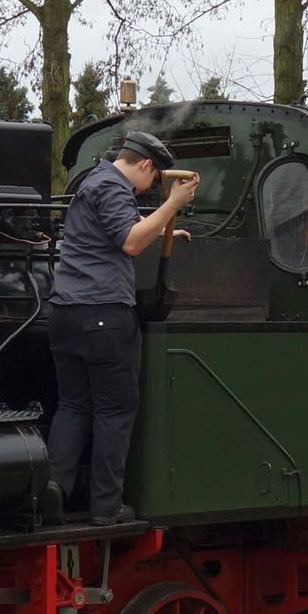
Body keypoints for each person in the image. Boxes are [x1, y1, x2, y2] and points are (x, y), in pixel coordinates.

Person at [47, 130, 199, 525]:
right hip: (102, 315)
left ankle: (54, 490)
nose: (150, 187)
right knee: (115, 410)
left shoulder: (91, 182)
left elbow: (112, 234)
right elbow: (131, 242)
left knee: (73, 406)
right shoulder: (113, 187)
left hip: (65, 313)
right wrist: (173, 204)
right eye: (153, 178)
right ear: (146, 165)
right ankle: (107, 507)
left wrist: (166, 228)